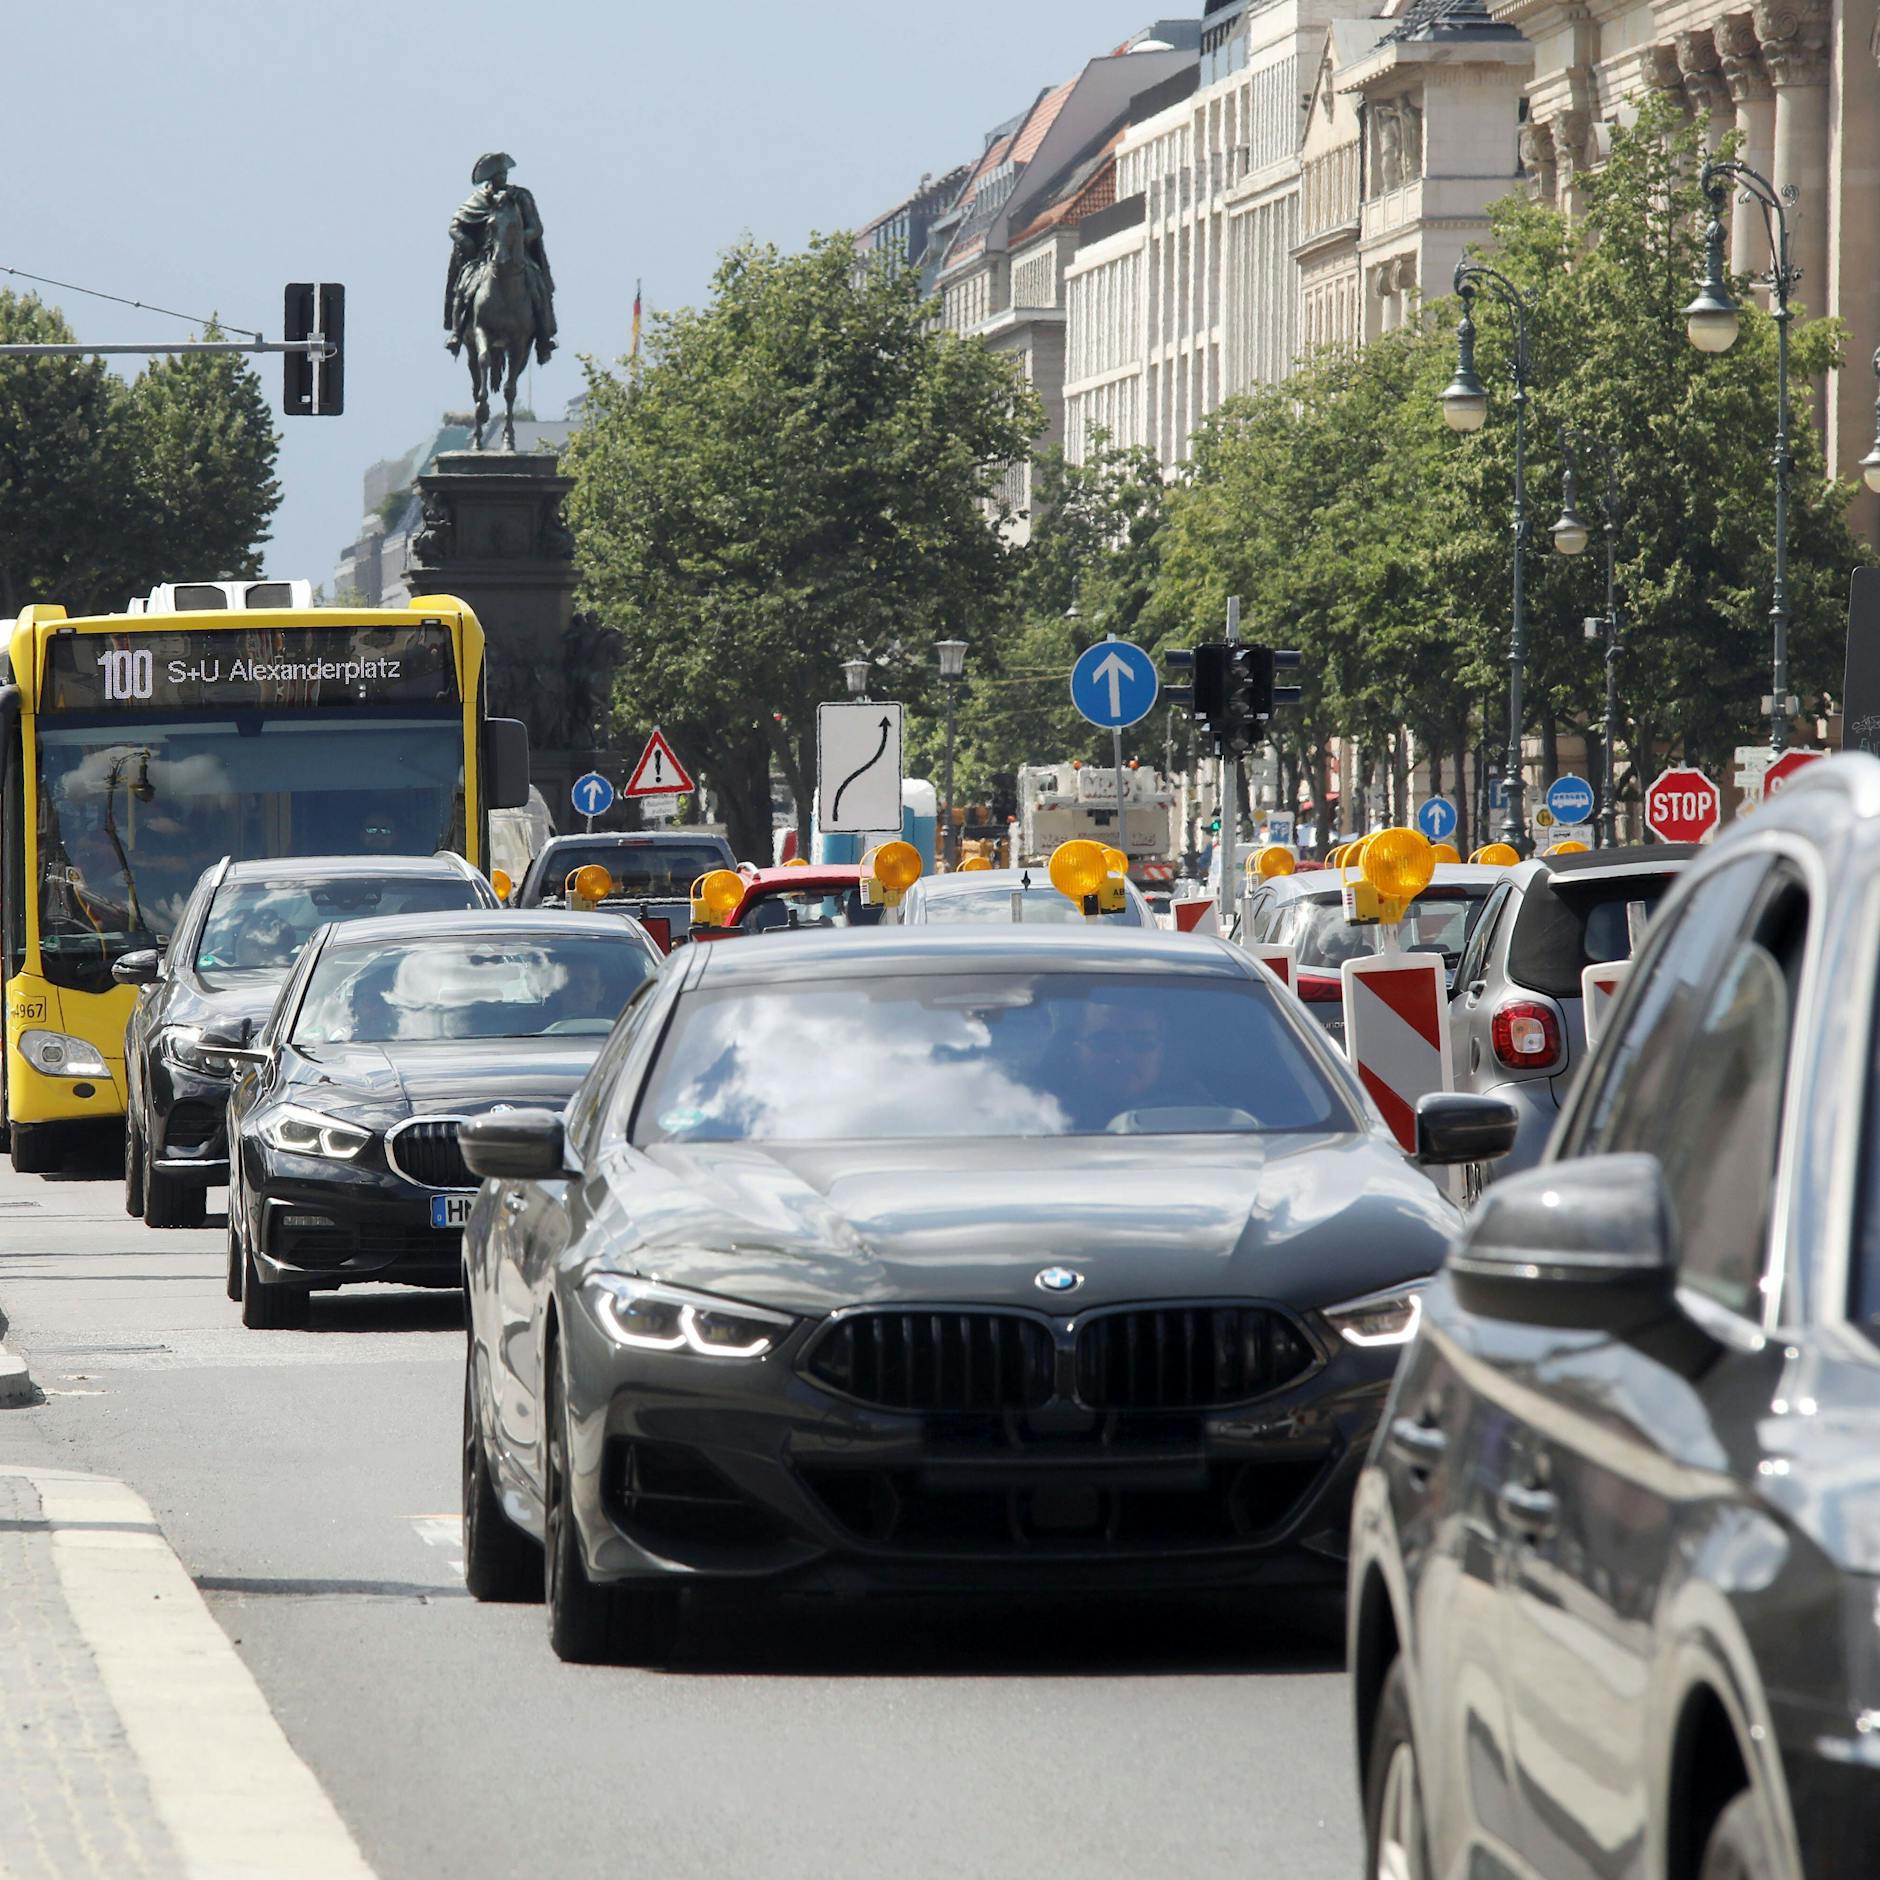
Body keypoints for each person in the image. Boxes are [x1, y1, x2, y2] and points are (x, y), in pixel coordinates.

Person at [444, 152, 557, 366]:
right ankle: (457, 333)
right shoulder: (477, 200)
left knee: (538, 286)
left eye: (504, 174)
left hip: (518, 255)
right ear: (490, 178)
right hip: (485, 257)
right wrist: (465, 241)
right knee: (464, 286)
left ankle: (544, 339)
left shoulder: (521, 197)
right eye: (498, 175)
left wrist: (520, 238)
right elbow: (454, 226)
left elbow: (536, 227)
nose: (503, 178)